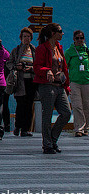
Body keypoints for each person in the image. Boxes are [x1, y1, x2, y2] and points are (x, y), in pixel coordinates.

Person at [34, 22, 71, 154]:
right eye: (60, 31)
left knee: (66, 113)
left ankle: (53, 139)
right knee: (47, 115)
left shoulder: (59, 48)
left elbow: (64, 67)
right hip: (47, 86)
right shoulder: (42, 49)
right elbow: (37, 66)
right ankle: (47, 145)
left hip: (59, 86)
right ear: (53, 33)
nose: (63, 33)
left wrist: (67, 85)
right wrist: (47, 71)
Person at [8, 27, 37, 136]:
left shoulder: (34, 50)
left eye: (28, 36)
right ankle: (17, 126)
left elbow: (38, 65)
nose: (26, 38)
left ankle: (25, 129)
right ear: (21, 38)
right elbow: (9, 63)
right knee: (20, 104)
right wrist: (16, 67)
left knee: (29, 105)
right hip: (19, 81)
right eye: (24, 36)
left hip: (31, 80)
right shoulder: (16, 50)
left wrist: (31, 68)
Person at [64, 29, 89, 136]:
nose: (79, 40)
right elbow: (65, 67)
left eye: (81, 38)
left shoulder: (87, 51)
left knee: (87, 105)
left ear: (84, 39)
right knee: (77, 105)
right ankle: (79, 128)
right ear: (74, 39)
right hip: (74, 82)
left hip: (87, 81)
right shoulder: (69, 52)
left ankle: (86, 127)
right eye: (77, 38)